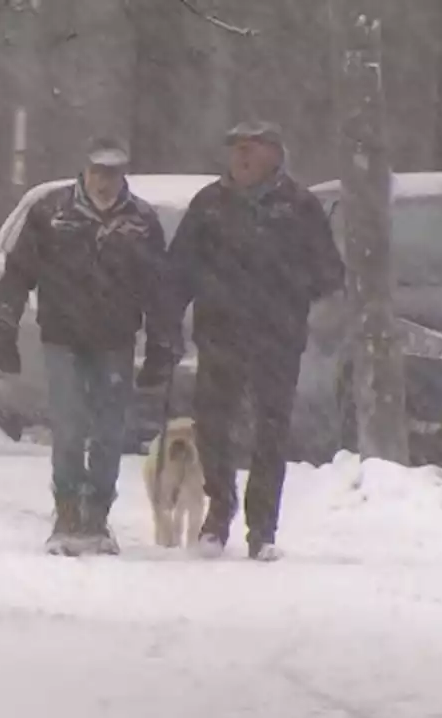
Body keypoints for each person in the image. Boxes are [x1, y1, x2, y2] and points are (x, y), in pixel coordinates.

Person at [145, 120, 345, 562]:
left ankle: (263, 527)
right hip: (220, 334)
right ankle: (219, 509)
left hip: (277, 337)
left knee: (270, 433)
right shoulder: (210, 206)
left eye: (252, 148)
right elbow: (178, 270)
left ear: (275, 154)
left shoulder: (299, 207)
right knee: (212, 428)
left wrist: (292, 290)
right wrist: (166, 326)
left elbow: (329, 271)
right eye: (236, 149)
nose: (242, 157)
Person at [0, 136, 175, 557]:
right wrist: (5, 326)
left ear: (123, 175)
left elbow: (159, 289)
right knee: (70, 426)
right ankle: (68, 508)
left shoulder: (141, 222)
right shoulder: (51, 213)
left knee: (111, 432)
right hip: (63, 337)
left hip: (115, 340)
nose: (103, 182)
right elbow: (18, 273)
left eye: (112, 174)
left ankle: (97, 512)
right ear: (85, 171)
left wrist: (162, 345)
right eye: (97, 172)